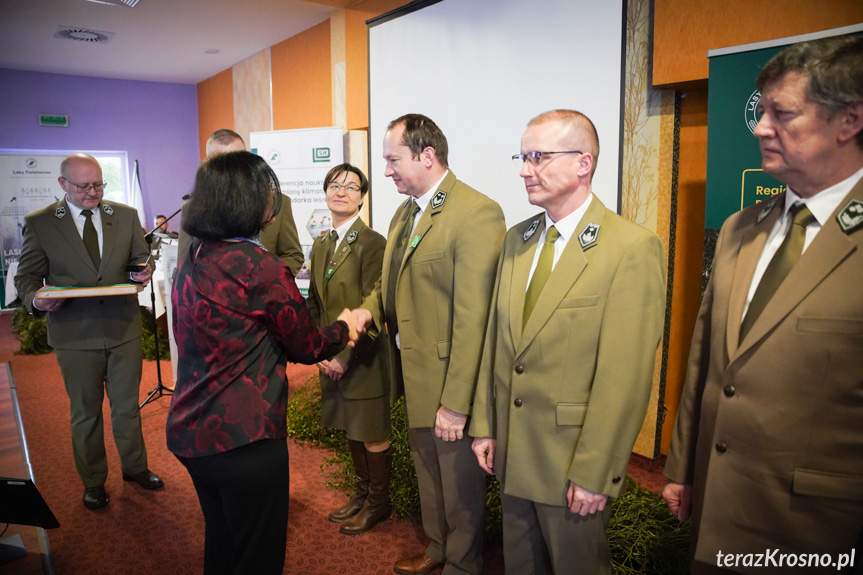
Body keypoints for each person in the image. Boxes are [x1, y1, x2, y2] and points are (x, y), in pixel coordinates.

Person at [663, 36, 863, 574]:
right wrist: (682, 468)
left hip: (819, 529)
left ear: (849, 121)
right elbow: (705, 360)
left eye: (783, 113)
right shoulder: (739, 227)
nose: (759, 126)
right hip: (716, 508)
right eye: (762, 110)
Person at [469, 109, 666, 574]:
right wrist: (486, 424)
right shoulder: (518, 239)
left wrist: (595, 471)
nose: (523, 169)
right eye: (522, 157)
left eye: (538, 157)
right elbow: (498, 344)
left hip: (571, 460)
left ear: (584, 162)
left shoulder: (629, 248)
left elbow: (625, 376)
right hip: (513, 452)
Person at [166, 150, 358, 575]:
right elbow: (307, 346)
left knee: (222, 541)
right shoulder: (260, 267)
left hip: (190, 429)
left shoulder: (195, 257)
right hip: (244, 437)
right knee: (257, 554)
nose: (276, 198)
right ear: (249, 201)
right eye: (270, 190)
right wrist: (347, 325)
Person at [353, 113, 506, 575]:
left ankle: (462, 564)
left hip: (449, 383)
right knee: (428, 476)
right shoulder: (406, 210)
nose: (385, 171)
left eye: (392, 159)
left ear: (427, 156)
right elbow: (389, 284)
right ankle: (438, 549)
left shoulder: (476, 212)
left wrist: (457, 403)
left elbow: (475, 318)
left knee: (459, 487)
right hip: (413, 375)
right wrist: (366, 311)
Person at [15, 153, 163, 510]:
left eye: (98, 184)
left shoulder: (125, 216)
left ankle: (135, 468)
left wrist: (143, 270)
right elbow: (27, 278)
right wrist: (37, 300)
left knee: (127, 407)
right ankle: (94, 481)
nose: (92, 192)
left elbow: (141, 259)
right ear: (63, 184)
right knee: (87, 412)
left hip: (122, 327)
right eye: (83, 186)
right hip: (74, 333)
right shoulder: (41, 223)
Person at [305, 163, 391, 535]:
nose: (341, 191)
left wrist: (342, 357)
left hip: (364, 358)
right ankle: (360, 496)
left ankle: (377, 504)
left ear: (361, 196)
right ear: (325, 192)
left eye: (351, 186)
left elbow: (377, 307)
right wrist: (317, 350)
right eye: (334, 185)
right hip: (332, 357)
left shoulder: (373, 243)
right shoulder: (323, 242)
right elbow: (314, 303)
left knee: (371, 432)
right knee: (351, 429)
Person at [178, 128, 305, 275]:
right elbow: (184, 264)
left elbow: (293, 255)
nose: (232, 169)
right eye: (222, 162)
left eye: (238, 159)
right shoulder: (193, 207)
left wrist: (269, 276)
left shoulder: (278, 202)